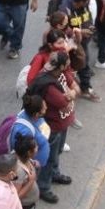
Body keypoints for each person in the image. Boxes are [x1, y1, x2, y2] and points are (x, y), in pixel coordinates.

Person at [27, 52, 77, 198]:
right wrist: (71, 95)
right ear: (60, 66)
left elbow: (74, 89)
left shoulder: (56, 73)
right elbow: (63, 103)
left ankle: (54, 173)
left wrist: (71, 93)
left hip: (60, 124)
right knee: (49, 157)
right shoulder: (49, 85)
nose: (69, 65)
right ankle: (44, 187)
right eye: (67, 63)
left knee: (57, 152)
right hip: (52, 127)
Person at [12, 135, 42, 209]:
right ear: (29, 152)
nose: (37, 147)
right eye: (36, 147)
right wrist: (31, 181)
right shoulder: (19, 170)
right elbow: (16, 195)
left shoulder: (25, 158)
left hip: (29, 203)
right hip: (23, 204)